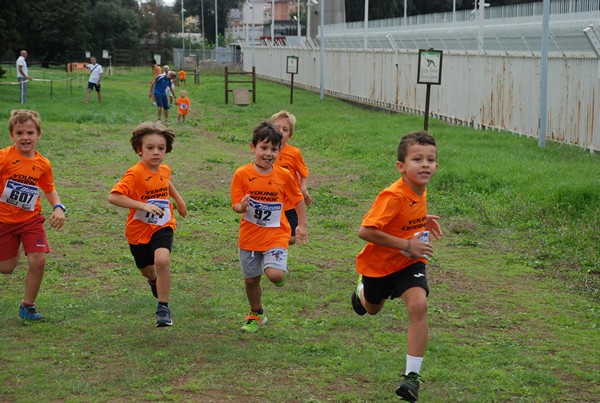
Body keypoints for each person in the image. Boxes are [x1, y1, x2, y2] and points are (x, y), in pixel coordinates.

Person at [350, 131, 442, 401]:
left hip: (408, 263)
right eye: (417, 159)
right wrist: (407, 243)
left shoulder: (419, 189)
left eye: (430, 159)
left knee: (419, 304)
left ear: (436, 165)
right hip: (379, 267)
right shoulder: (393, 195)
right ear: (401, 167)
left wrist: (421, 221)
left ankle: (411, 377)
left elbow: (406, 216)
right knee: (372, 309)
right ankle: (362, 291)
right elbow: (365, 231)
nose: (425, 164)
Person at [230, 121, 308, 332]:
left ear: (280, 150)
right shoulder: (242, 174)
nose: (268, 153)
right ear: (252, 147)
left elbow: (298, 199)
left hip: (276, 235)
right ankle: (256, 313)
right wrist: (242, 206)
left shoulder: (284, 176)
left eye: (274, 149)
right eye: (263, 148)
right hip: (249, 237)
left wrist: (301, 225)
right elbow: (236, 204)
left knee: (275, 275)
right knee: (251, 280)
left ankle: (278, 272)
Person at [109, 122, 187, 327]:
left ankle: (163, 308)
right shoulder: (134, 173)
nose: (156, 153)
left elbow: (165, 182)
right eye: (150, 148)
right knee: (147, 269)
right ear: (139, 149)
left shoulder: (164, 169)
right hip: (138, 230)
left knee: (162, 260)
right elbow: (114, 197)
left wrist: (179, 201)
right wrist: (142, 206)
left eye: (161, 148)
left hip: (163, 224)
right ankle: (153, 280)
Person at [0, 109, 66, 321]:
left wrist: (58, 207)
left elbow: (49, 189)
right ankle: (13, 248)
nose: (25, 137)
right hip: (4, 220)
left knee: (38, 261)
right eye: (19, 133)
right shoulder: (4, 158)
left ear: (39, 134)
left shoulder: (42, 164)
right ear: (12, 135)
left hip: (31, 220)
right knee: (7, 268)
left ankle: (28, 306)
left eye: (30, 132)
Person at [270, 110, 313, 245]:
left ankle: (276, 244)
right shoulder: (267, 151)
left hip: (290, 202)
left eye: (285, 129)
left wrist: (303, 187)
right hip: (272, 201)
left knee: (292, 239)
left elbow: (303, 172)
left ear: (290, 134)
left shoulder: (294, 153)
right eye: (277, 128)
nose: (281, 132)